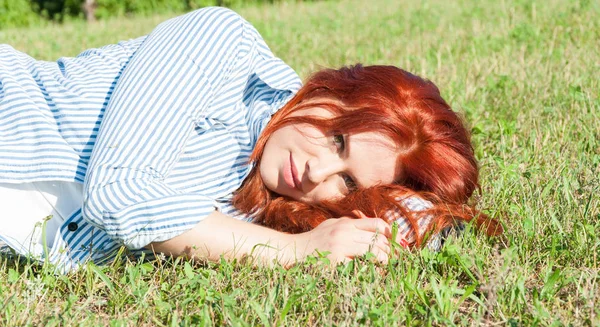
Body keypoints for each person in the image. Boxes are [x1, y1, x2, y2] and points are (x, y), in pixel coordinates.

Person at [0, 7, 499, 274]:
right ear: (330, 90)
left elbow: (396, 212)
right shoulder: (221, 46)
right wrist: (297, 252)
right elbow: (121, 196)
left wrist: (430, 217)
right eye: (338, 138)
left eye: (347, 183)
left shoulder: (274, 204)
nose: (316, 172)